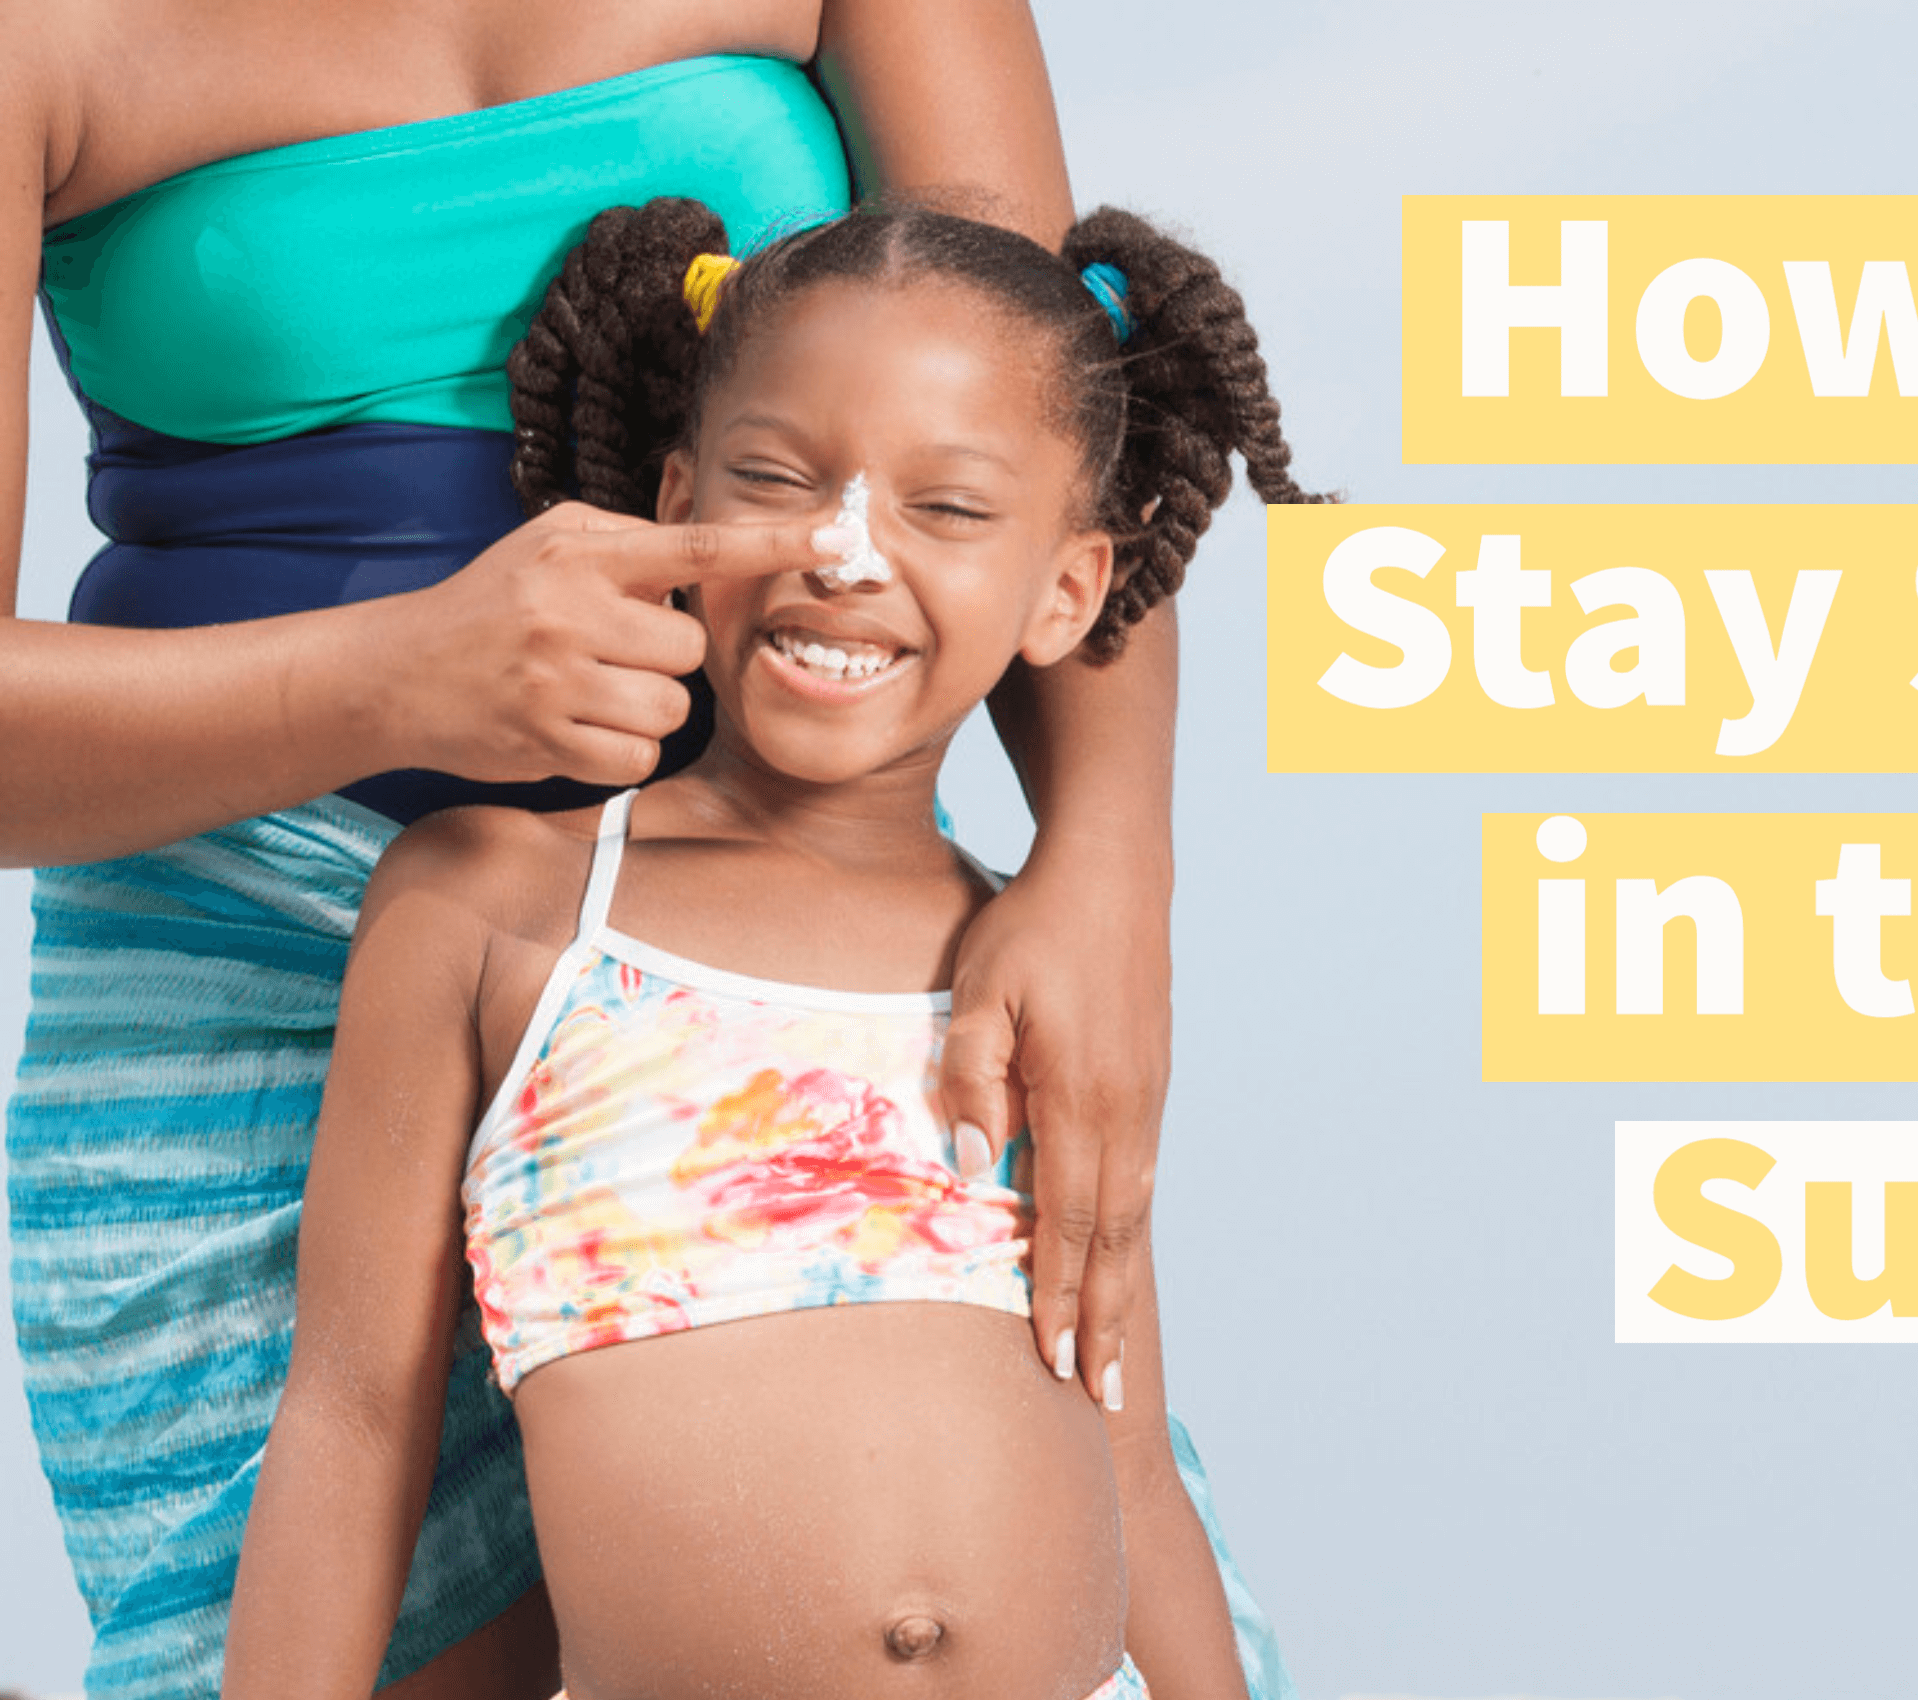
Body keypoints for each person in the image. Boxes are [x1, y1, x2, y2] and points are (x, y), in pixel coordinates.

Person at [4, 10, 1267, 1696]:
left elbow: (1042, 396)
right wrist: (395, 672)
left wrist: (1109, 872)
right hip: (230, 965)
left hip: (772, 936)